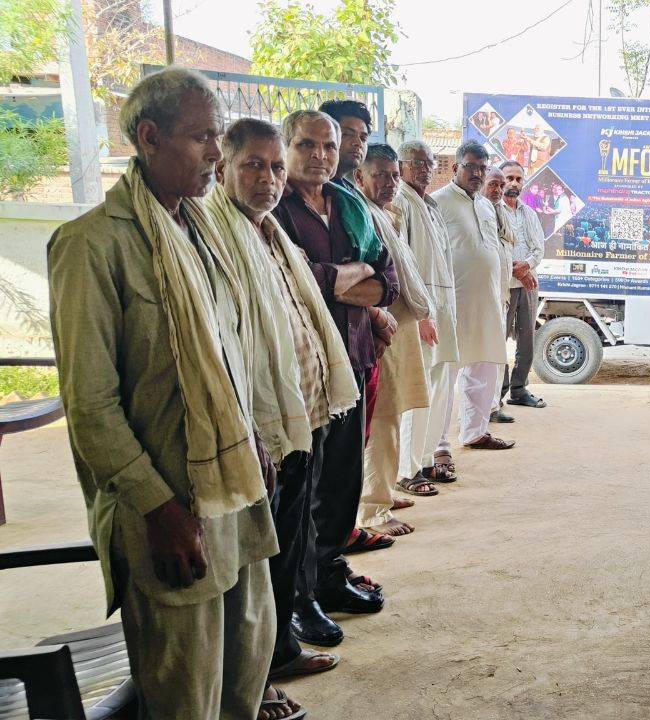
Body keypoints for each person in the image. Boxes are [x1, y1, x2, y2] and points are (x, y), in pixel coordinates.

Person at [48, 67, 279, 719]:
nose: (216, 153)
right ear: (149, 138)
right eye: (203, 137)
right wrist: (158, 510)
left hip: (234, 499)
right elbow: (91, 408)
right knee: (185, 696)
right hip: (171, 517)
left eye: (218, 136)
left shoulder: (204, 232)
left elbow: (229, 353)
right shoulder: (92, 247)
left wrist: (254, 434)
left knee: (244, 678)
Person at [213, 117, 363, 709]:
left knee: (291, 534)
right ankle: (258, 676)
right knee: (260, 552)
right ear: (223, 165)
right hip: (262, 427)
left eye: (275, 167)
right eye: (254, 164)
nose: (268, 178)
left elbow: (368, 283)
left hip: (303, 408)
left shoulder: (266, 228)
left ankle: (279, 650)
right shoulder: (217, 234)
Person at [272, 109, 398, 647]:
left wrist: (346, 281)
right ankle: (298, 600)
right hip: (305, 370)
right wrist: (350, 276)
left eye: (329, 146)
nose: (320, 155)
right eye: (308, 145)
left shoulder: (348, 203)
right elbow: (299, 280)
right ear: (287, 146)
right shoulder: (273, 209)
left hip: (355, 355)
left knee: (345, 479)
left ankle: (328, 575)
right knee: (304, 487)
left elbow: (386, 280)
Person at [355, 143, 435, 535]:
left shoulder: (387, 214)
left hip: (399, 323)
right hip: (381, 328)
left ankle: (383, 492)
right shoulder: (361, 214)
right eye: (380, 175)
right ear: (360, 177)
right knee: (382, 416)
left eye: (393, 176)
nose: (390, 183)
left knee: (395, 410)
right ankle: (372, 509)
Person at [431, 142, 516, 450]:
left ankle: (475, 431)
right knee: (445, 374)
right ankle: (438, 444)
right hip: (452, 304)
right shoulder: (437, 203)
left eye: (483, 168)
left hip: (488, 302)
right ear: (455, 168)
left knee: (484, 368)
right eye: (471, 167)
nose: (478, 174)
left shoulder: (486, 205)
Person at [394, 140, 464, 489]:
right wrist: (420, 313)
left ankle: (424, 460)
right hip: (420, 309)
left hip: (444, 306)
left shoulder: (430, 204)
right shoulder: (400, 202)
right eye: (417, 162)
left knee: (441, 385)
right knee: (418, 388)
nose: (424, 168)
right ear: (402, 166)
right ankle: (406, 470)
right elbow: (402, 266)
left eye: (429, 162)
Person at [497, 160, 547, 409]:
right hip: (504, 285)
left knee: (527, 338)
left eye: (518, 179)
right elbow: (495, 248)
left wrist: (525, 267)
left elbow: (539, 248)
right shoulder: (493, 210)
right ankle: (498, 391)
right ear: (500, 180)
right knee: (498, 338)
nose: (513, 183)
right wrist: (516, 270)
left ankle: (519, 389)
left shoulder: (529, 213)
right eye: (509, 178)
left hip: (528, 283)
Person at [482, 166, 520, 425]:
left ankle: (493, 405)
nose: (497, 190)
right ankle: (482, 411)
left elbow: (511, 242)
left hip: (501, 292)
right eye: (493, 184)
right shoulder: (479, 209)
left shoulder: (501, 212)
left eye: (499, 185)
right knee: (481, 359)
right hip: (484, 294)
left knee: (497, 355)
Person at [319, 98, 373, 189]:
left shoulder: (348, 188)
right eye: (347, 134)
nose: (358, 143)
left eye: (363, 138)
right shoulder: (316, 190)